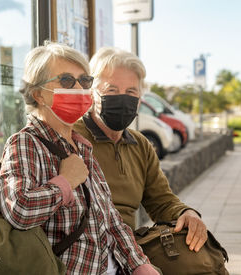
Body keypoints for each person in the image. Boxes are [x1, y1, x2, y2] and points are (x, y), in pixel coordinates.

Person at [0, 42, 159, 275]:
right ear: (38, 94)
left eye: (84, 81)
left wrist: (139, 264)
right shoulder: (25, 143)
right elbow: (18, 210)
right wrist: (65, 182)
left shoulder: (82, 146)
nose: (78, 88)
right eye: (66, 81)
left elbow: (110, 219)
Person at [73, 47, 208, 253]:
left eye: (130, 92)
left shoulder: (140, 145)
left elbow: (161, 201)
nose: (122, 98)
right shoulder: (72, 138)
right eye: (111, 90)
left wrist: (187, 213)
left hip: (128, 251)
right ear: (92, 91)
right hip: (84, 253)